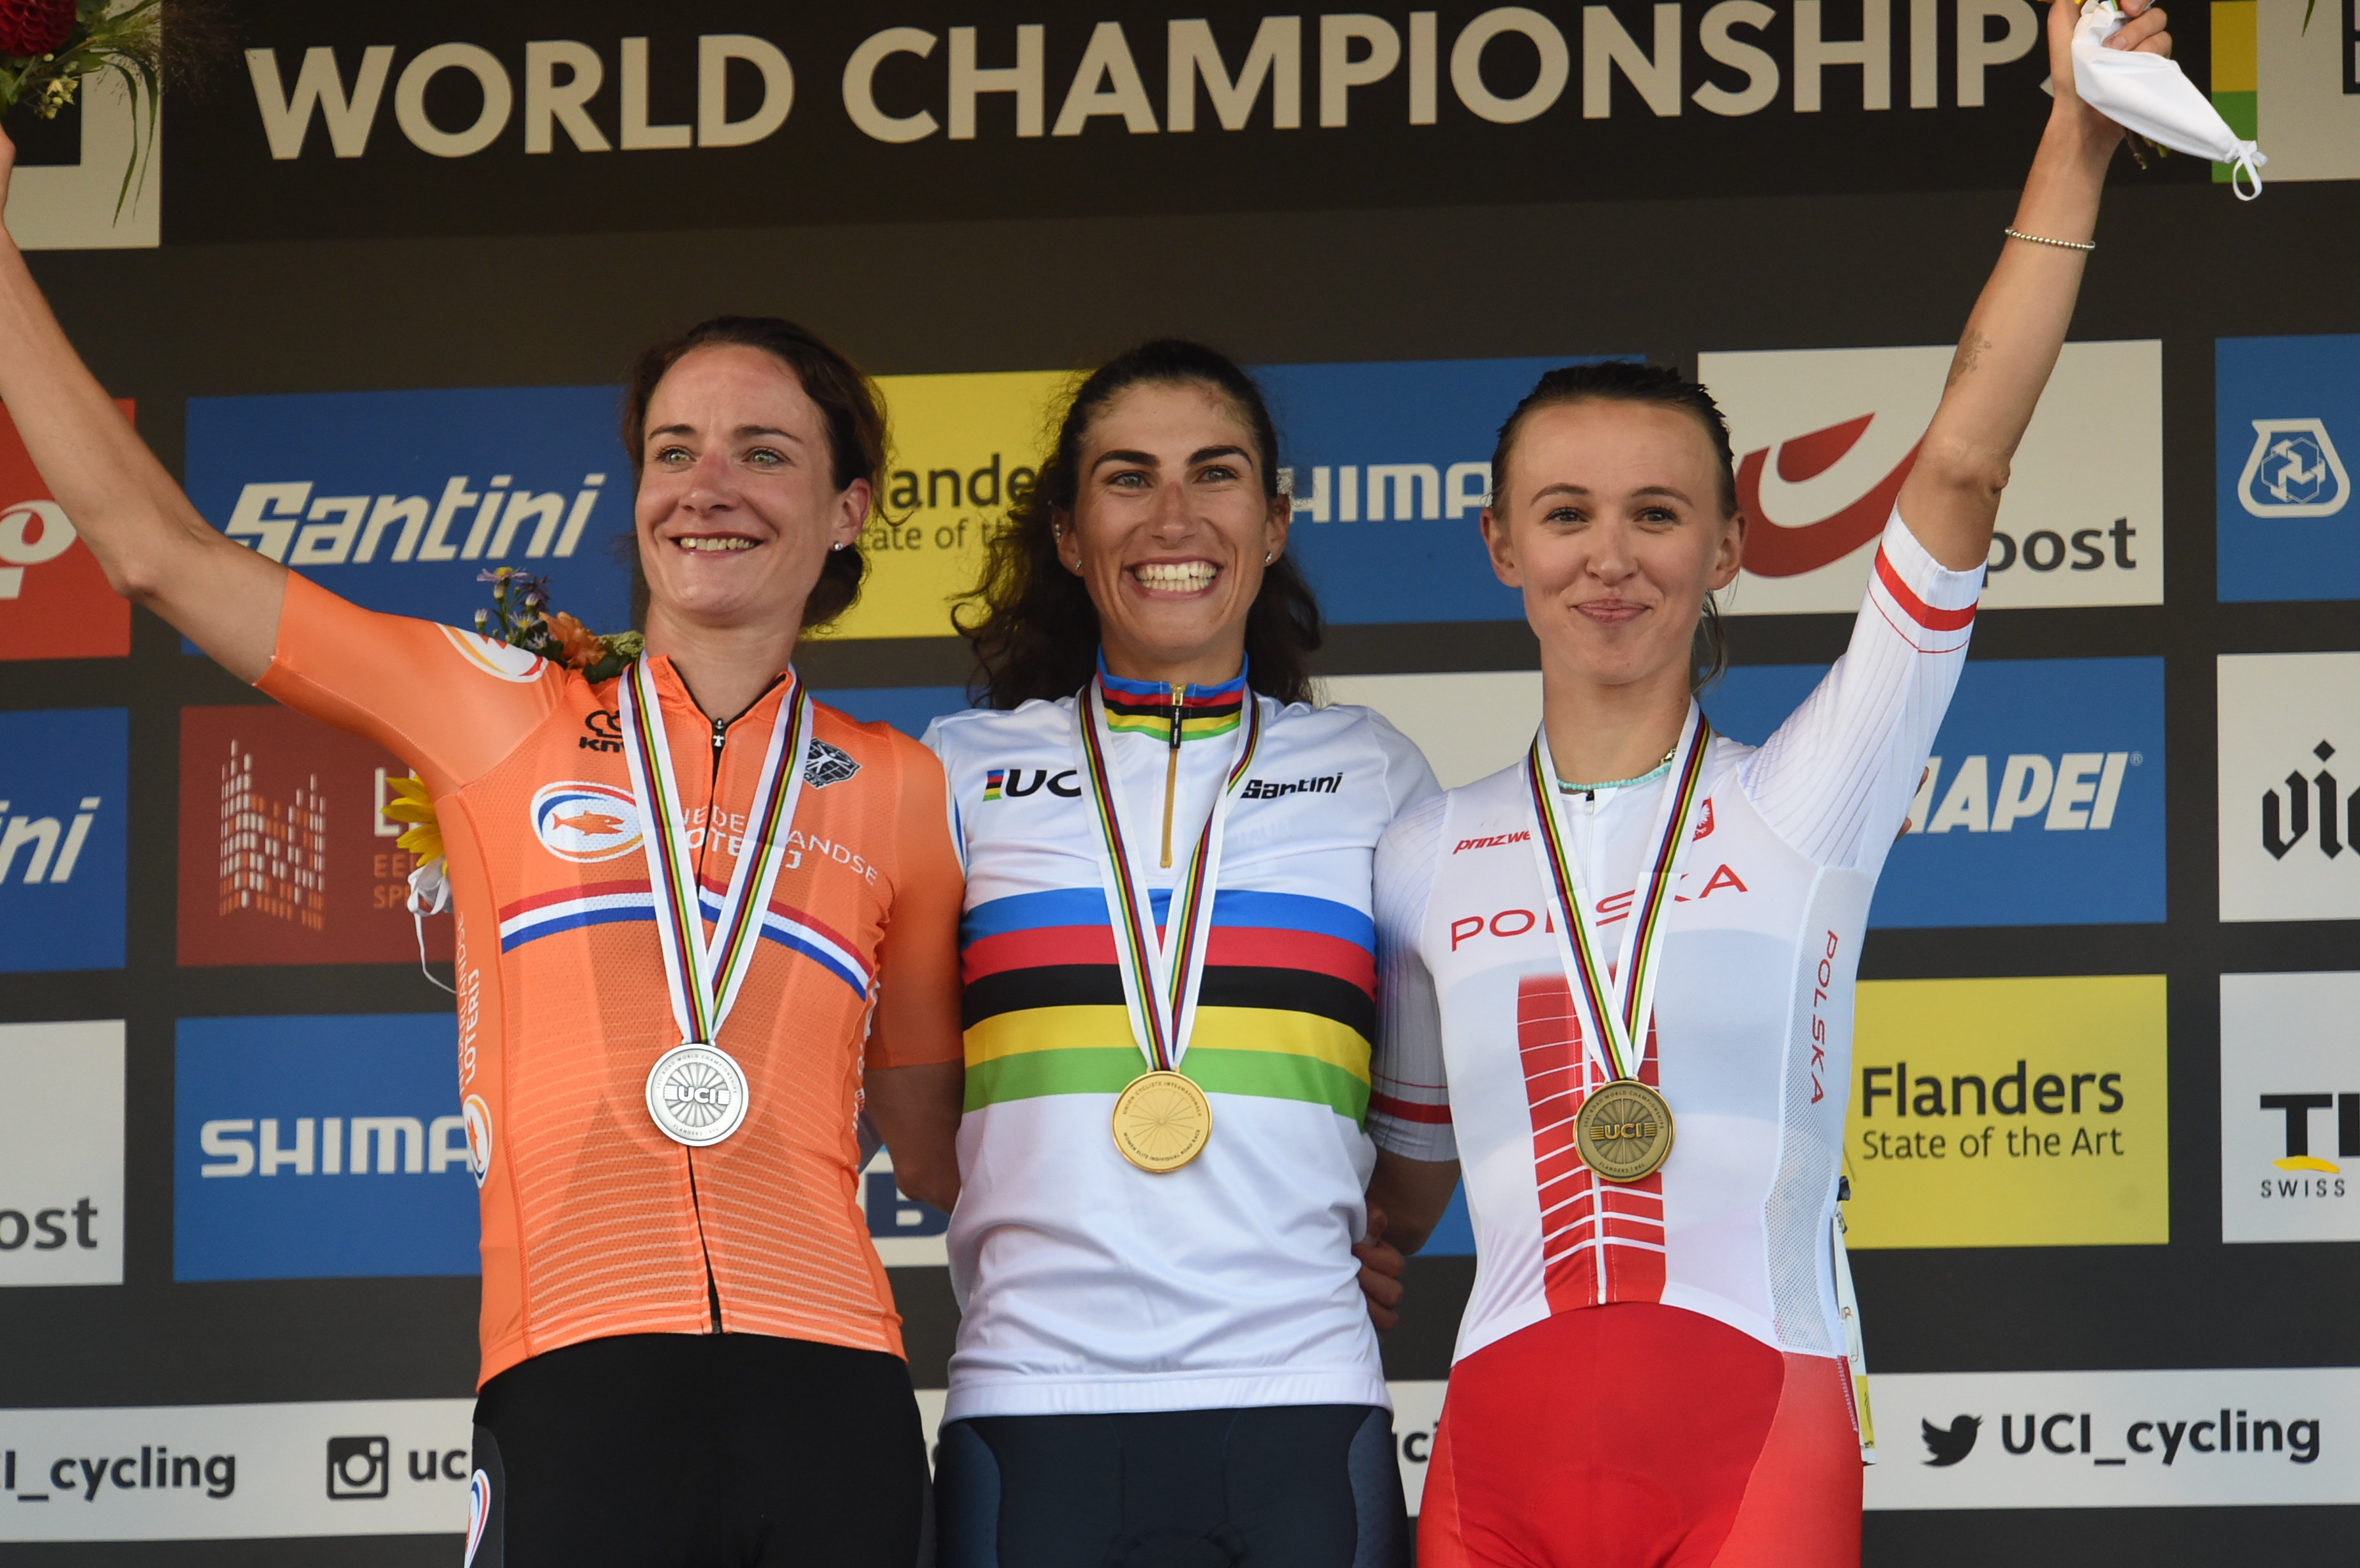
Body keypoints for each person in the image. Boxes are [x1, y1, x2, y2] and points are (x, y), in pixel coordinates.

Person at [0, 130, 965, 1567]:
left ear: (847, 512)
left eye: (764, 453)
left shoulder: (902, 786)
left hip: (836, 1381)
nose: (708, 485)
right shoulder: (493, 707)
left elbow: (939, 1150)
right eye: (673, 451)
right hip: (575, 1368)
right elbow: (158, 555)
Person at [1365, 3, 2174, 1564]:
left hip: (1758, 1431)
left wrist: (2076, 139)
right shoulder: (1418, 850)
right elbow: (1388, 1200)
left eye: (1660, 514)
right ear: (1500, 545)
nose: (1611, 557)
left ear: (1730, 546)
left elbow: (1960, 468)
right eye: (1566, 514)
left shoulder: (1810, 797)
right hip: (1494, 1454)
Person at [922, 340, 1446, 1567]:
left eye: (1215, 474)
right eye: (1128, 478)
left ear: (1273, 525)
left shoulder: (1373, 771)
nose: (1174, 517)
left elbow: (1418, 1147)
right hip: (1030, 1400)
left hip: (1302, 1397)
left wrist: (1296, 1217)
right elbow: (931, 1122)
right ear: (1068, 534)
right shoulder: (956, 773)